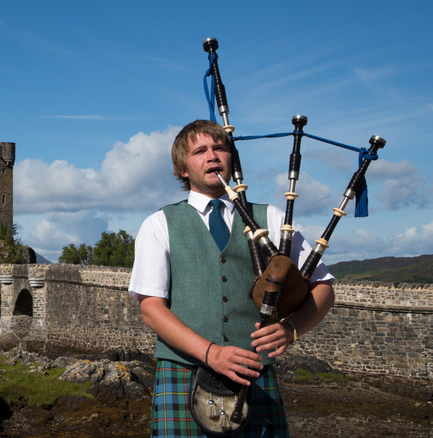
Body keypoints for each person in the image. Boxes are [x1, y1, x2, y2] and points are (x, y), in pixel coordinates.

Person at [128, 120, 335, 437]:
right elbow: (151, 308)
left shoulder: (272, 219)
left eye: (220, 148)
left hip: (255, 375)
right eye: (200, 151)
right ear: (183, 168)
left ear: (232, 159)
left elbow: (322, 287)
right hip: (183, 372)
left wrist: (291, 329)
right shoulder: (159, 224)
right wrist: (211, 353)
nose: (212, 156)